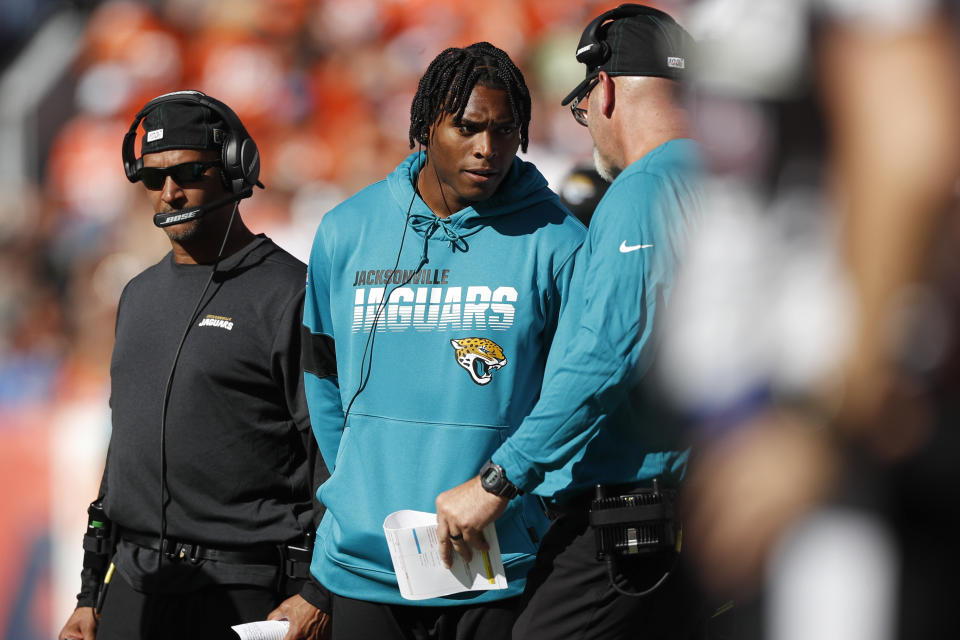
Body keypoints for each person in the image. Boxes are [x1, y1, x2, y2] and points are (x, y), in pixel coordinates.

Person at [433, 6, 706, 639]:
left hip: (632, 513)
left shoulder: (644, 189)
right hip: (706, 505)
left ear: (604, 88)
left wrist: (500, 478)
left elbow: (607, 353)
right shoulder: (731, 178)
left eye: (582, 110)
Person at [300, 42, 585, 639]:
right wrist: (360, 484)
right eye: (469, 128)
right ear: (425, 127)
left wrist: (517, 496)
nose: (489, 149)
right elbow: (321, 377)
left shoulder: (559, 241)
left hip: (499, 568)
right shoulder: (345, 231)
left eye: (506, 131)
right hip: (364, 567)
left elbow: (576, 394)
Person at [57, 91, 330, 640]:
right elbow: (125, 458)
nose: (169, 191)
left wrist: (317, 592)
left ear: (234, 168)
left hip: (246, 590)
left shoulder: (291, 293)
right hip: (136, 586)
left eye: (187, 171)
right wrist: (90, 594)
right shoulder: (136, 296)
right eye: (153, 179)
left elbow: (330, 455)